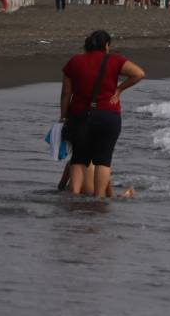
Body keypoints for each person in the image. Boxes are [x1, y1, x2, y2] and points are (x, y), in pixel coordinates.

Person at [59, 30, 145, 197]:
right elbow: (139, 73)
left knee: (78, 158)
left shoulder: (75, 61)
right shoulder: (114, 59)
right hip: (108, 115)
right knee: (104, 161)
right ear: (106, 45)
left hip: (80, 114)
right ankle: (99, 198)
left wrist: (63, 116)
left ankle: (73, 195)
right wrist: (119, 89)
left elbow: (65, 93)